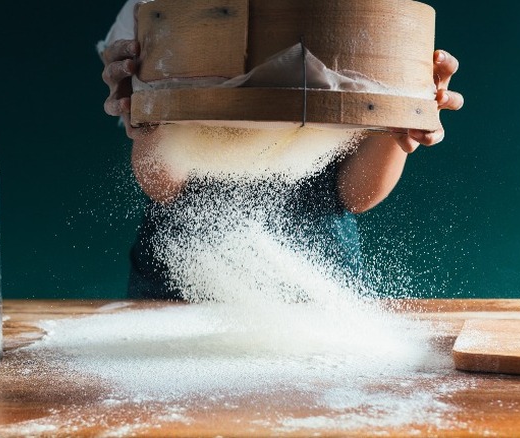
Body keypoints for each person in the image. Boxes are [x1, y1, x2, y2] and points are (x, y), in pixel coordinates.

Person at [98, 0, 464, 300]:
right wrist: (148, 108)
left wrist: (402, 113)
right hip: (179, 276)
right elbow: (163, 182)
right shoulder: (160, 10)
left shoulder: (372, 12)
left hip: (319, 283)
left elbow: (357, 195)